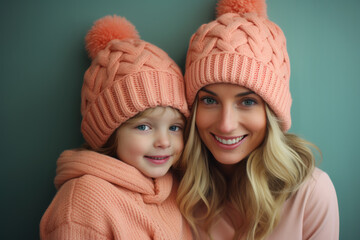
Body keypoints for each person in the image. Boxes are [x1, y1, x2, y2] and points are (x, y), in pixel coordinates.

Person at [175, 0, 339, 239]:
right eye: (210, 101)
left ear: (272, 113)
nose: (226, 124)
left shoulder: (310, 193)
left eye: (248, 102)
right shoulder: (176, 191)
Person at [40, 15, 192, 239]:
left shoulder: (176, 188)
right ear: (109, 132)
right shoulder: (84, 204)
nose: (164, 142)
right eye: (143, 127)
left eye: (174, 127)